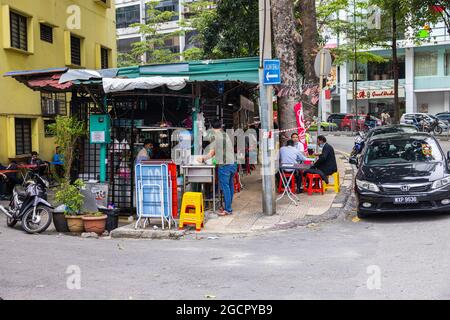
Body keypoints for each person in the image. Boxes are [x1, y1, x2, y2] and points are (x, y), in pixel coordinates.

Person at [202, 119, 237, 216]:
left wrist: (203, 158)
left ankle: (228, 209)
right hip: (233, 164)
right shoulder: (225, 134)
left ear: (212, 127)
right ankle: (228, 206)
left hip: (225, 165)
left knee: (225, 187)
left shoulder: (215, 136)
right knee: (229, 186)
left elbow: (212, 152)